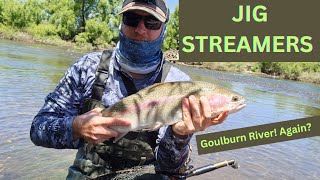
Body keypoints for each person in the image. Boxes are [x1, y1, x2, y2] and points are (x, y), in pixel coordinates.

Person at [30, 0, 228, 179]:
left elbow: (169, 167)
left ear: (163, 30)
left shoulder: (180, 84)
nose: (141, 30)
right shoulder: (87, 67)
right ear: (121, 23)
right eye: (132, 18)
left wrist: (180, 135)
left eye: (152, 22)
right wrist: (75, 127)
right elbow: (38, 129)